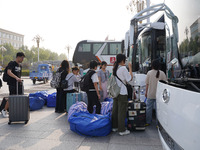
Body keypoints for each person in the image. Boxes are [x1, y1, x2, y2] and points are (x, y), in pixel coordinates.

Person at [112, 54, 133, 136]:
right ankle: (121, 130)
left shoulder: (115, 67)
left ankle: (114, 127)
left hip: (116, 92)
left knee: (115, 110)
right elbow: (129, 79)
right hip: (122, 92)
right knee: (122, 111)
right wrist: (130, 68)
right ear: (122, 60)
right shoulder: (123, 68)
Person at [1, 52, 25, 118]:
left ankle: (14, 110)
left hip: (18, 84)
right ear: (18, 57)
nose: (22, 59)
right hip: (12, 83)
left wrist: (19, 79)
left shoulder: (20, 66)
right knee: (12, 97)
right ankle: (4, 110)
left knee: (19, 97)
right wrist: (16, 78)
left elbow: (19, 75)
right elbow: (9, 72)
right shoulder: (12, 63)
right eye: (22, 57)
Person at [145, 59, 167, 125]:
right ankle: (158, 124)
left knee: (148, 109)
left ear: (152, 65)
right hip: (159, 95)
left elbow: (147, 84)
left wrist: (146, 93)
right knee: (158, 109)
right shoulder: (162, 73)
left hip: (150, 94)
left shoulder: (149, 73)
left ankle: (148, 122)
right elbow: (165, 84)